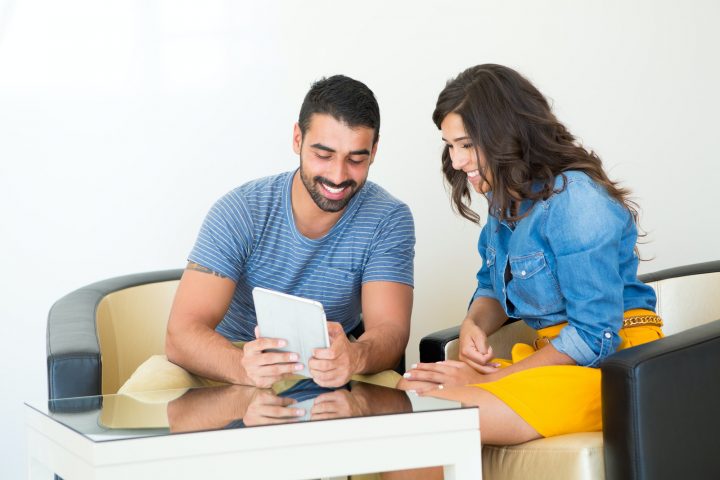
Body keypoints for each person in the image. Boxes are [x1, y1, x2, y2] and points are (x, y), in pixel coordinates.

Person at [398, 64, 663, 453]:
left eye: (467, 144)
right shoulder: (506, 195)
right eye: (450, 145)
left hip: (613, 368)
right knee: (412, 390)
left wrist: (488, 383)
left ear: (506, 134)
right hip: (554, 361)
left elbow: (596, 337)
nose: (455, 161)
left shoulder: (576, 201)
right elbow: (492, 284)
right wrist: (474, 324)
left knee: (433, 411)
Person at [120, 75, 415, 393]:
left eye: (356, 159)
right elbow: (182, 333)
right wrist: (242, 367)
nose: (338, 175)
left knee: (410, 401)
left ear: (374, 150)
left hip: (331, 367)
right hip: (229, 357)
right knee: (149, 389)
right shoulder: (241, 210)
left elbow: (390, 330)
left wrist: (354, 356)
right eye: (324, 155)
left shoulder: (388, 218)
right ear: (297, 139)